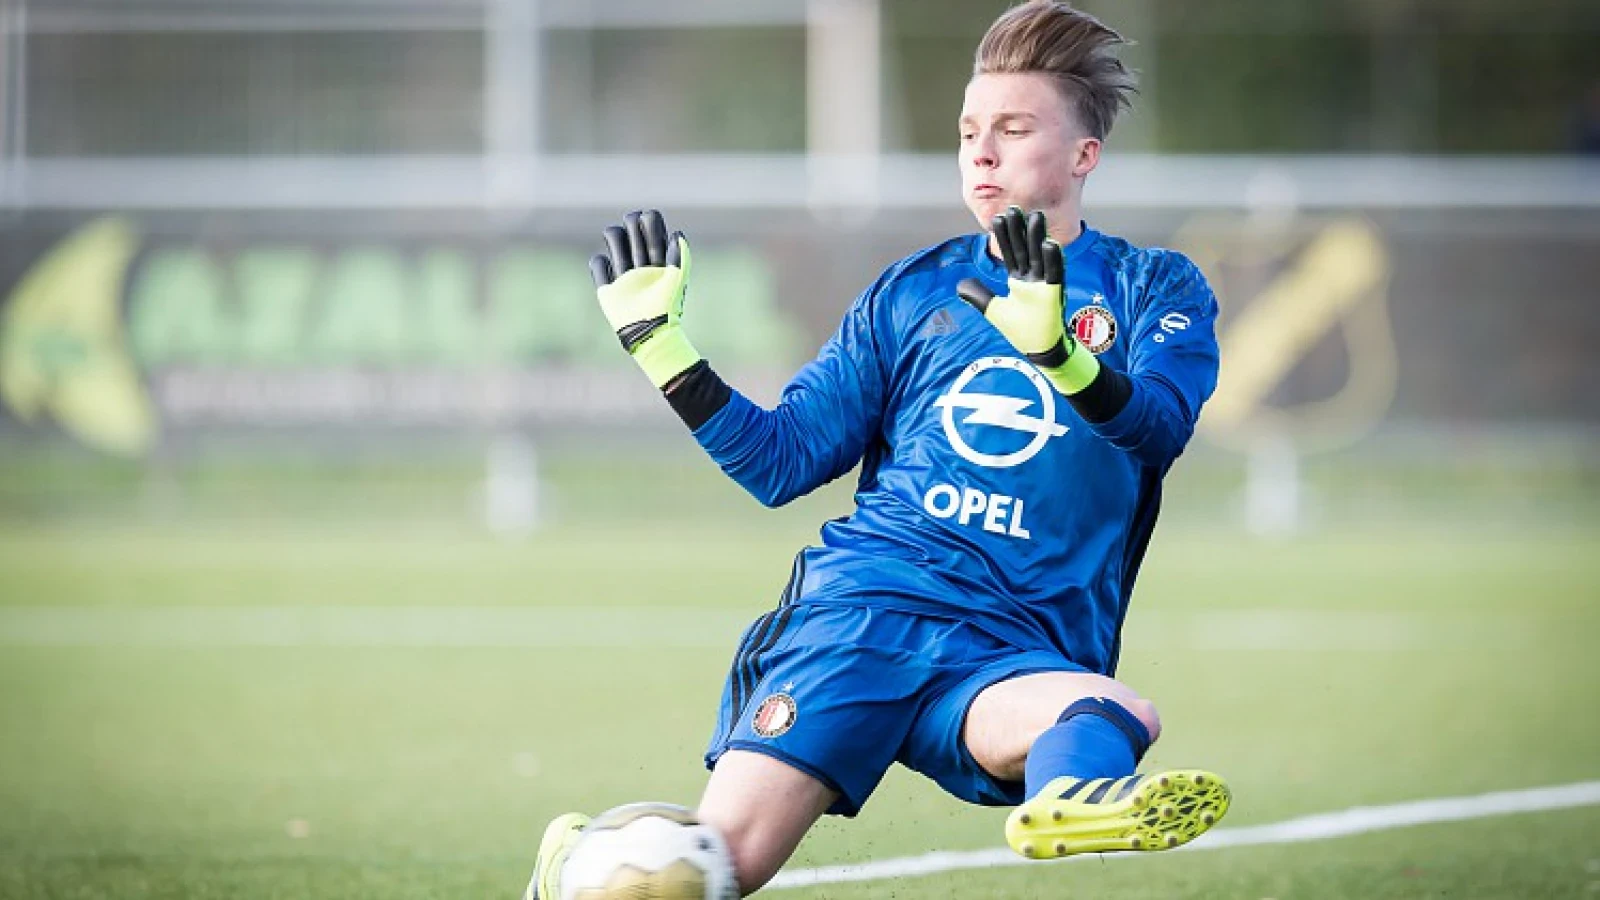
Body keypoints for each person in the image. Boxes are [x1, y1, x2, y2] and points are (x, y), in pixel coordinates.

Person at [527, 2, 1228, 896]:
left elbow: (1158, 429)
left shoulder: (1154, 286)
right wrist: (664, 351)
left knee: (1117, 711)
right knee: (709, 871)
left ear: (1084, 156)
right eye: (970, 130)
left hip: (1014, 645)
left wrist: (1059, 352)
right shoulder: (913, 293)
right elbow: (783, 463)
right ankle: (575, 863)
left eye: (1014, 129)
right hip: (867, 611)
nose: (982, 151)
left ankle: (1073, 803)